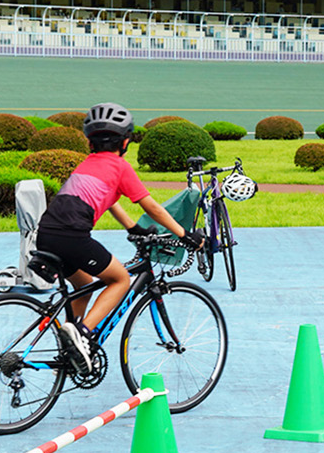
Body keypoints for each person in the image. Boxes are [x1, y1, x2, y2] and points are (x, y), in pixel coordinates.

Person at [33, 102, 200, 371]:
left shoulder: (87, 164)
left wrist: (133, 228)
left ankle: (70, 347)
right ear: (126, 142)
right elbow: (152, 207)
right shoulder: (120, 167)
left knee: (84, 284)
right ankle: (83, 334)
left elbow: (110, 200)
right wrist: (185, 235)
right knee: (120, 278)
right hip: (73, 237)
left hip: (46, 234)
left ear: (90, 143)